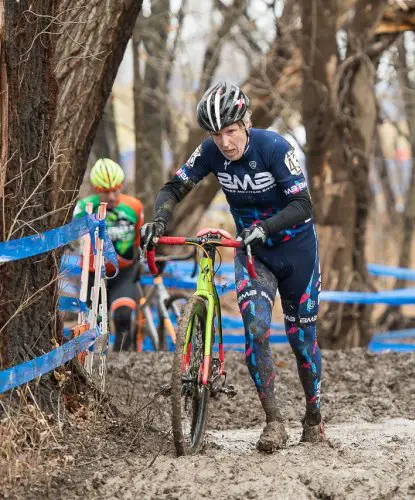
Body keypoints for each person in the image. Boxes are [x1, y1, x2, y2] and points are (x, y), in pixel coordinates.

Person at [140, 82, 324, 452]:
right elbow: (173, 188)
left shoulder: (274, 147)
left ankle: (314, 415)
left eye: (231, 131)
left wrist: (264, 227)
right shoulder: (210, 151)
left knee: (300, 339)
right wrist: (158, 221)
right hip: (253, 254)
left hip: (296, 252)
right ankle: (274, 422)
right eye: (216, 134)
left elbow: (304, 205)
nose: (225, 142)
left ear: (246, 123)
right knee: (256, 329)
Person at [73, 158, 144, 351]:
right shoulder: (83, 208)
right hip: (92, 273)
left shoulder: (134, 206)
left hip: (124, 272)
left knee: (122, 316)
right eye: (105, 191)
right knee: (94, 324)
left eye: (116, 189)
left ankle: (122, 364)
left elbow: (138, 239)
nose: (112, 196)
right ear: (96, 189)